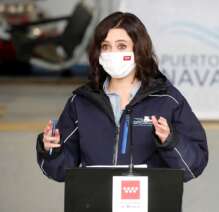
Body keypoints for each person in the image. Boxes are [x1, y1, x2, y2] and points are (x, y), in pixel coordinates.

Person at [36, 12, 208, 182]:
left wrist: (171, 142)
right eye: (106, 46)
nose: (112, 53)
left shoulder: (167, 100)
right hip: (95, 203)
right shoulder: (81, 102)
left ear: (139, 49)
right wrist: (51, 150)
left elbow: (194, 166)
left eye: (121, 46)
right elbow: (60, 171)